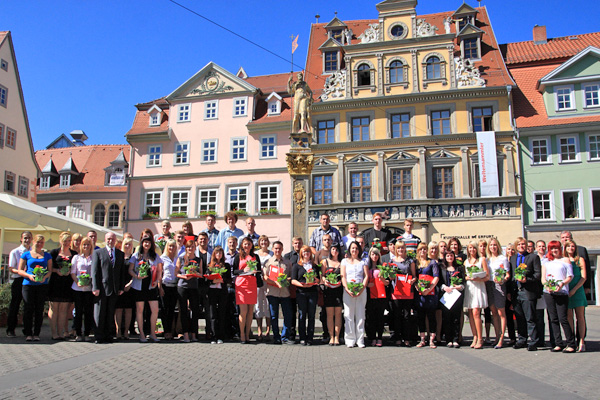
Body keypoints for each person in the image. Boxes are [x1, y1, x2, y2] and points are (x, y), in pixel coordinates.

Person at [509, 237, 542, 351]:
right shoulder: (513, 258)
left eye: (523, 244)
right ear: (516, 246)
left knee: (530, 318)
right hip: (516, 292)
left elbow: (538, 275)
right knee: (519, 318)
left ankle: (533, 341)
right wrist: (509, 292)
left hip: (527, 292)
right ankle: (522, 340)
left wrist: (526, 280)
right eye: (519, 245)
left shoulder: (533, 257)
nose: (521, 246)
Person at [542, 241, 575, 353]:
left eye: (556, 248)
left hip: (561, 292)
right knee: (553, 319)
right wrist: (547, 287)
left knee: (563, 318)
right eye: (552, 248)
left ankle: (571, 343)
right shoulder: (546, 262)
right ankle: (558, 343)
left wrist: (562, 284)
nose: (554, 250)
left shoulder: (565, 260)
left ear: (560, 249)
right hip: (549, 293)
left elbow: (570, 276)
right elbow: (543, 278)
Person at [91, 232, 124, 343]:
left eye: (112, 239)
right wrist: (95, 287)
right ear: (105, 239)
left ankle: (108, 335)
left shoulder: (120, 254)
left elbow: (121, 272)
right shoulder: (98, 253)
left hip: (114, 289)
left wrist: (121, 287)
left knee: (110, 313)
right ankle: (99, 336)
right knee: (100, 313)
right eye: (109, 239)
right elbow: (94, 271)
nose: (110, 241)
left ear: (115, 240)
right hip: (101, 288)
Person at [129, 235, 163, 343]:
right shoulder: (136, 255)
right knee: (140, 310)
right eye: (145, 242)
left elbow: (159, 270)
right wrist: (136, 276)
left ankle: (153, 333)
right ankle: (142, 334)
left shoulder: (155, 256)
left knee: (155, 310)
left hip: (151, 286)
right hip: (139, 286)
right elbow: (130, 269)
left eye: (149, 242)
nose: (147, 244)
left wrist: (157, 281)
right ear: (141, 243)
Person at [18, 234, 52, 341]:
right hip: (28, 284)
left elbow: (50, 270)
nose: (39, 244)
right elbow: (20, 270)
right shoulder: (26, 254)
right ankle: (28, 333)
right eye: (38, 242)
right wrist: (29, 275)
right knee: (28, 308)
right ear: (33, 242)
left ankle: (37, 333)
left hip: (42, 285)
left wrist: (44, 277)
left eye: (41, 242)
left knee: (39, 309)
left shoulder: (47, 255)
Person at [233, 237, 262, 344]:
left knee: (250, 312)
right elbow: (234, 271)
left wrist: (256, 271)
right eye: (245, 244)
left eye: (249, 244)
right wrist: (242, 270)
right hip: (241, 285)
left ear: (252, 245)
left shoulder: (255, 256)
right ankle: (241, 334)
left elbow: (259, 271)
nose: (247, 246)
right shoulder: (238, 256)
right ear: (242, 245)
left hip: (252, 284)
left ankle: (247, 333)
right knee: (243, 311)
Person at [263, 241, 293, 344]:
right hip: (272, 292)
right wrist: (275, 282)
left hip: (284, 292)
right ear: (272, 249)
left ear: (282, 249)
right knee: (274, 316)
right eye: (276, 248)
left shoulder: (287, 263)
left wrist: (285, 280)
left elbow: (290, 277)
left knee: (287, 315)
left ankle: (285, 337)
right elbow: (265, 277)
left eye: (279, 248)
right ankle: (276, 336)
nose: (277, 250)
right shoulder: (268, 262)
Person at [49, 231, 77, 340]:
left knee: (64, 310)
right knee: (54, 308)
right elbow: (49, 267)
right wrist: (57, 270)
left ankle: (61, 333)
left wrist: (70, 271)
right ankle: (54, 333)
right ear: (61, 240)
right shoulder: (54, 252)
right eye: (65, 241)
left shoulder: (74, 254)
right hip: (56, 282)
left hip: (67, 283)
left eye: (68, 241)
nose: (67, 243)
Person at [341, 241, 369, 348]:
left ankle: (360, 339)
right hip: (348, 291)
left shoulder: (363, 261)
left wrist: (361, 288)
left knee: (360, 315)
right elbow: (343, 276)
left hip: (361, 291)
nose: (354, 250)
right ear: (349, 250)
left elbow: (366, 276)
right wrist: (347, 289)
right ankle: (350, 339)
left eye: (356, 248)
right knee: (348, 315)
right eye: (352, 248)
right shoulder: (344, 261)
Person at [292, 245, 320, 345]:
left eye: (307, 252)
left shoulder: (315, 266)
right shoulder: (297, 266)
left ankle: (310, 337)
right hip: (301, 293)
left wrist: (315, 280)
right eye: (304, 252)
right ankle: (302, 337)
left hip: (312, 293)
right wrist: (302, 285)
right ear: (301, 254)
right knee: (302, 315)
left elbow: (318, 280)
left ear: (310, 253)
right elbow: (293, 280)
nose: (306, 254)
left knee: (311, 315)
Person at [389, 241, 416, 347]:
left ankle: (407, 338)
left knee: (406, 315)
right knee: (396, 315)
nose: (400, 250)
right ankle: (398, 338)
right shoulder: (392, 261)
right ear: (396, 249)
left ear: (405, 249)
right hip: (396, 291)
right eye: (398, 248)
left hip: (407, 291)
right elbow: (390, 276)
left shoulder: (410, 261)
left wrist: (412, 281)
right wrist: (390, 277)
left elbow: (414, 276)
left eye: (402, 248)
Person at [176, 240, 203, 343]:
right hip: (182, 286)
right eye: (188, 247)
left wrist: (195, 274)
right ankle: (185, 334)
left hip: (194, 287)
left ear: (195, 248)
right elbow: (176, 273)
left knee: (195, 311)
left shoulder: (198, 259)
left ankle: (194, 334)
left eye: (192, 247)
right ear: (185, 248)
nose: (190, 249)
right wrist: (184, 276)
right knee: (183, 311)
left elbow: (201, 274)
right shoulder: (181, 258)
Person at [463, 241, 489, 349]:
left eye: (474, 248)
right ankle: (474, 337)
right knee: (470, 313)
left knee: (476, 312)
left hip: (478, 286)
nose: (472, 250)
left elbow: (487, 276)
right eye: (470, 248)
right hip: (470, 287)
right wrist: (467, 277)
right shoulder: (466, 261)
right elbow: (464, 276)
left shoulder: (482, 260)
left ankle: (480, 338)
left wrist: (479, 278)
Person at [6, 231, 32, 337]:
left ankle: (27, 330)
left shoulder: (34, 252)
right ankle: (10, 329)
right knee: (15, 305)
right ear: (21, 239)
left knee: (29, 306)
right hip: (19, 280)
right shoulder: (15, 252)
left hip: (30, 281)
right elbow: (11, 268)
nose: (27, 240)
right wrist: (21, 271)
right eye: (25, 238)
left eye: (29, 238)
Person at [414, 243, 439, 348]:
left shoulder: (432, 262)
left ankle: (432, 340)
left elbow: (436, 277)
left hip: (430, 294)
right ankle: (422, 339)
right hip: (419, 294)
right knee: (421, 317)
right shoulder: (416, 263)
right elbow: (414, 277)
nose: (423, 251)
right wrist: (417, 287)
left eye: (424, 249)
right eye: (421, 249)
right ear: (418, 251)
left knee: (431, 316)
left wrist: (429, 289)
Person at [564, 239, 587, 352]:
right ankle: (571, 341)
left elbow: (584, 277)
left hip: (577, 290)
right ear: (565, 248)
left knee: (580, 317)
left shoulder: (580, 260)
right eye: (568, 247)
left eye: (572, 246)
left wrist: (574, 289)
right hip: (567, 291)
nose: (571, 249)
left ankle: (581, 341)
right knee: (569, 317)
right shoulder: (563, 260)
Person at [486, 238, 510, 348]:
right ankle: (496, 336)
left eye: (495, 245)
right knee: (494, 312)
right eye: (491, 245)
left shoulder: (503, 259)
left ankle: (501, 338)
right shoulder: (487, 260)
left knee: (501, 313)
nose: (493, 247)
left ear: (498, 246)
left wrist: (503, 280)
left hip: (499, 285)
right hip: (489, 285)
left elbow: (507, 274)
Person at [70, 237, 95, 341]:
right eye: (84, 244)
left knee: (89, 311)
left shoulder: (94, 257)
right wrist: (77, 281)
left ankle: (87, 333)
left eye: (88, 245)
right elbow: (73, 272)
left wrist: (91, 281)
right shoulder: (76, 258)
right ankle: (78, 333)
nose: (86, 247)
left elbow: (95, 272)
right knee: (78, 311)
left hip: (89, 288)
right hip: (78, 288)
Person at [439, 251, 465, 348]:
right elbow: (440, 281)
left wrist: (459, 286)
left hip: (456, 295)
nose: (450, 257)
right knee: (447, 318)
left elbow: (463, 281)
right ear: (445, 257)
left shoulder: (459, 268)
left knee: (456, 318)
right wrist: (444, 287)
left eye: (451, 255)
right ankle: (448, 339)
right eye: (448, 256)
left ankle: (455, 339)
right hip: (446, 296)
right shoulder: (442, 268)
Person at [206, 246, 231, 344]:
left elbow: (229, 279)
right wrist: (213, 280)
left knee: (221, 313)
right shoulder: (210, 266)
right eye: (217, 253)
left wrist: (222, 280)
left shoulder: (226, 265)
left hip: (222, 291)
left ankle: (221, 336)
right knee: (213, 314)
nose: (218, 255)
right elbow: (205, 279)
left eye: (220, 253)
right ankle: (213, 336)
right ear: (214, 254)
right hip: (212, 291)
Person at [320, 244, 343, 346]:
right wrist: (325, 281)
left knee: (338, 315)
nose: (335, 251)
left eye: (336, 249)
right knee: (329, 315)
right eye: (333, 249)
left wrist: (340, 282)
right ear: (330, 250)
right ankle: (331, 337)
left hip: (338, 291)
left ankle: (337, 337)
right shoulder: (325, 262)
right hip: (328, 291)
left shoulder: (342, 263)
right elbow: (322, 276)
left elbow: (343, 276)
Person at [365, 247, 389, 347]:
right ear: (370, 256)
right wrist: (367, 285)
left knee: (380, 317)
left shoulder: (383, 267)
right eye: (373, 254)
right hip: (370, 296)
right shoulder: (367, 267)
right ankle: (373, 338)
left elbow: (387, 282)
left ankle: (379, 338)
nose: (374, 256)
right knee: (371, 318)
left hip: (381, 295)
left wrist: (382, 279)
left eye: (376, 254)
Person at [115, 237, 134, 340]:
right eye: (126, 244)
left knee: (128, 310)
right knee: (118, 309)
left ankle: (126, 331)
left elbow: (136, 272)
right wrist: (120, 286)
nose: (128, 246)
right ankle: (118, 330)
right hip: (120, 286)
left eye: (130, 244)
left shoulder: (133, 257)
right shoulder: (119, 256)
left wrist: (130, 283)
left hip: (130, 287)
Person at [560, 231, 591, 296]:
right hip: (563, 286)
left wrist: (587, 286)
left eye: (567, 237)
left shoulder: (581, 250)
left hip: (578, 285)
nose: (565, 239)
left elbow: (587, 268)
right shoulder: (558, 251)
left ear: (571, 238)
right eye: (563, 237)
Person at [284, 236, 303, 340]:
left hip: (303, 288)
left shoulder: (306, 255)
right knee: (291, 312)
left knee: (302, 312)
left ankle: (302, 333)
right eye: (295, 243)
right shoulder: (288, 256)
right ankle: (291, 333)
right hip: (291, 288)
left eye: (299, 243)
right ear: (292, 244)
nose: (297, 245)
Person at [160, 239, 179, 341]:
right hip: (165, 285)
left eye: (173, 246)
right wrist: (160, 287)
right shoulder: (162, 258)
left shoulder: (177, 258)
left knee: (171, 310)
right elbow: (159, 273)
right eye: (170, 246)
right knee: (164, 310)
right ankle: (166, 331)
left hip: (174, 286)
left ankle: (170, 331)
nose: (171, 248)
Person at [255, 235, 272, 341]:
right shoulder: (255, 254)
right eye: (261, 241)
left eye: (265, 241)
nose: (263, 242)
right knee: (258, 305)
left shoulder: (271, 254)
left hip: (268, 282)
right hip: (257, 282)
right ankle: (259, 329)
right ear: (259, 242)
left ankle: (268, 330)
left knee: (267, 305)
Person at [225, 236, 240, 339]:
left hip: (237, 285)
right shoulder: (224, 256)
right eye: (230, 242)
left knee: (236, 310)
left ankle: (236, 332)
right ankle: (227, 332)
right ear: (227, 244)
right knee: (226, 309)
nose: (232, 244)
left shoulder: (239, 256)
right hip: (226, 285)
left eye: (234, 242)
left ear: (236, 244)